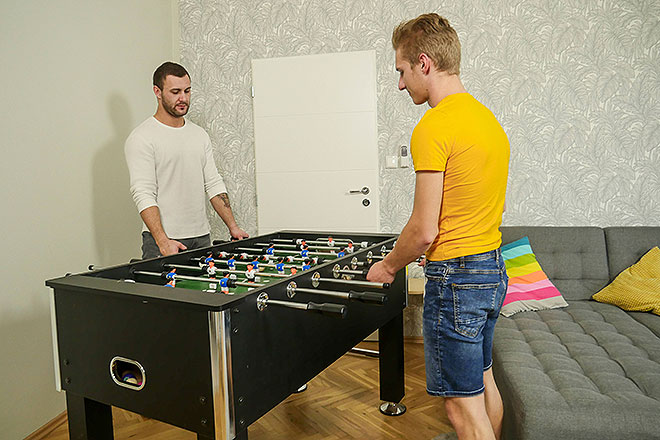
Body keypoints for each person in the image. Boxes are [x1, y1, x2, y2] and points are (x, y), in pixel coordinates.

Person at [366, 14, 510, 440]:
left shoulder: (434, 125)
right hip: (491, 270)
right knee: (483, 381)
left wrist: (388, 267)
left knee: (461, 407)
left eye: (402, 71)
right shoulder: (487, 120)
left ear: (424, 63)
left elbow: (424, 229)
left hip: (457, 280)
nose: (400, 84)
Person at [125, 62, 249, 259]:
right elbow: (143, 193)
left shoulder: (199, 135)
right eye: (175, 92)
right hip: (163, 241)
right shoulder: (142, 137)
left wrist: (233, 227)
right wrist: (162, 241)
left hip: (201, 238)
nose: (183, 98)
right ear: (157, 92)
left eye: (187, 91)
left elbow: (213, 183)